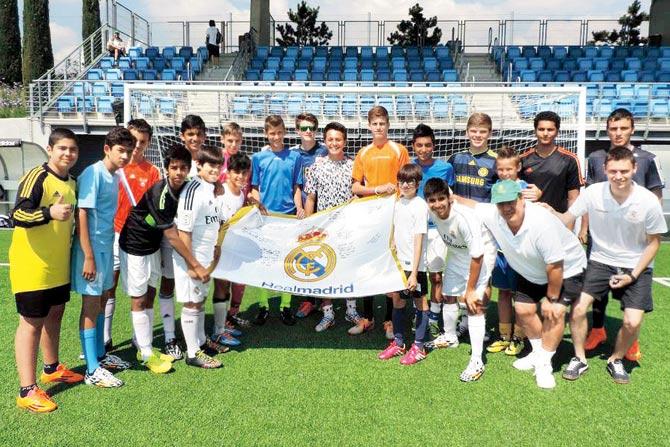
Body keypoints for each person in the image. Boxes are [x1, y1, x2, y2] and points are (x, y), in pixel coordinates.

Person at [546, 147, 666, 384]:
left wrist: (632, 275)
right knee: (579, 309)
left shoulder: (648, 201)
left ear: (634, 169)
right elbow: (566, 220)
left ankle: (616, 359)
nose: (618, 176)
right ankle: (579, 358)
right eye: (613, 171)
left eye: (624, 171)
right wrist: (548, 210)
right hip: (600, 261)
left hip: (636, 265)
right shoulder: (592, 193)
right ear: (605, 170)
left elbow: (654, 244)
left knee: (633, 321)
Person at [456, 180, 587, 389]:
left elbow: (555, 265)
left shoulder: (540, 222)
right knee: (523, 310)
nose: (506, 208)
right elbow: (467, 203)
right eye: (501, 204)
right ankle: (537, 353)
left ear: (521, 199)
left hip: (567, 269)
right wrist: (444, 196)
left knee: (554, 312)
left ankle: (545, 364)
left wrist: (552, 299)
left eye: (511, 202)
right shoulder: (494, 214)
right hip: (532, 270)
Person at [119, 144, 211, 373]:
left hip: (152, 245)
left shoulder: (189, 186)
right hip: (135, 243)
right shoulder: (161, 193)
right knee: (139, 297)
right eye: (174, 168)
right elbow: (172, 236)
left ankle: (145, 345)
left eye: (183, 168)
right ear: (166, 168)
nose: (178, 172)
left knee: (151, 292)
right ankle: (146, 353)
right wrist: (196, 265)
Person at [582, 108, 664, 362]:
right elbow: (589, 196)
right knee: (598, 288)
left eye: (623, 128)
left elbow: (655, 197)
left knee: (632, 287)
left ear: (632, 129)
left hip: (634, 240)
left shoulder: (648, 159)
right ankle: (597, 330)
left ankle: (631, 339)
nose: (618, 133)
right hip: (601, 236)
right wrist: (584, 228)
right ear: (607, 130)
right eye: (613, 129)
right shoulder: (596, 158)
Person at [11, 128, 84, 413]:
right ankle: (27, 389)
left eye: (73, 149)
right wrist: (48, 213)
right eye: (62, 148)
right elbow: (17, 213)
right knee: (31, 322)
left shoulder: (73, 182)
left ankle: (52, 368)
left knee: (55, 314)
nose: (68, 154)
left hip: (58, 265)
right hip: (32, 265)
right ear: (50, 149)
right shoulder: (37, 176)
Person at [72, 127, 135, 388]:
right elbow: (82, 214)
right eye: (121, 150)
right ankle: (91, 370)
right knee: (90, 305)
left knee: (100, 302)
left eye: (129, 152)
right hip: (92, 251)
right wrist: (88, 256)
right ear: (107, 149)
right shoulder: (93, 173)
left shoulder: (115, 176)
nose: (125, 156)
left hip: (106, 247)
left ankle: (100, 355)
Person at [424, 178, 497, 380]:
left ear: (450, 198)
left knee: (474, 305)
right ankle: (450, 336)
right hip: (457, 254)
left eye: (441, 199)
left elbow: (478, 255)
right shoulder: (431, 211)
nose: (437, 204)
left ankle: (477, 360)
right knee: (448, 295)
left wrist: (471, 289)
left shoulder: (464, 219)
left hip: (481, 256)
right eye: (432, 200)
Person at [350, 106, 410, 337]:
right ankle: (367, 318)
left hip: (394, 215)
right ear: (369, 126)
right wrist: (377, 189)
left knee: (388, 265)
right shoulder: (363, 153)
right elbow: (355, 187)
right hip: (369, 216)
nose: (379, 127)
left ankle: (389, 321)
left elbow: (408, 182)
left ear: (388, 125)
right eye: (375, 124)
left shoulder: (399, 150)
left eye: (382, 123)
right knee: (367, 265)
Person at [104, 119, 161, 354]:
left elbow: (156, 207)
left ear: (148, 143)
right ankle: (105, 338)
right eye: (133, 140)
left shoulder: (153, 171)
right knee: (110, 285)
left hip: (140, 240)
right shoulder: (114, 167)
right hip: (115, 234)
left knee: (145, 290)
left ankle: (140, 339)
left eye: (142, 142)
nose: (137, 145)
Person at [157, 114, 208, 361]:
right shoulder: (173, 163)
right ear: (183, 136)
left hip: (199, 236)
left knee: (198, 287)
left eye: (198, 134)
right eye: (190, 134)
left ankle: (199, 338)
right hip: (175, 234)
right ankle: (169, 337)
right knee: (169, 282)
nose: (195, 138)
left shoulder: (207, 160)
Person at [303, 122, 361, 331]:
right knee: (325, 270)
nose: (334, 143)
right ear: (325, 141)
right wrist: (309, 226)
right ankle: (328, 313)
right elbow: (310, 198)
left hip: (347, 227)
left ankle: (351, 309)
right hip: (323, 229)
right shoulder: (316, 165)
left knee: (348, 268)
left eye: (338, 139)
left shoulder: (354, 165)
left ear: (344, 141)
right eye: (330, 139)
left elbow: (358, 195)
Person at [174, 146, 228, 368]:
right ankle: (193, 352)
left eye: (218, 165)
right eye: (210, 165)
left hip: (205, 258)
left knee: (200, 301)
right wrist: (192, 265)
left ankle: (202, 341)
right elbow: (183, 232)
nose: (215, 169)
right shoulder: (192, 190)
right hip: (192, 258)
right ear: (199, 165)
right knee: (192, 303)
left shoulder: (211, 189)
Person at [446, 112, 498, 339]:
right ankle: (464, 320)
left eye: (482, 131)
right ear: (467, 132)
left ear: (490, 133)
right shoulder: (455, 159)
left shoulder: (495, 161)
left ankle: (478, 320)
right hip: (459, 228)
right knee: (461, 274)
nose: (477, 135)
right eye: (474, 131)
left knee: (484, 277)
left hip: (486, 228)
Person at [250, 115, 302, 326]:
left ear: (284, 132)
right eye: (272, 133)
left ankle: (285, 305)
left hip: (288, 216)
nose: (276, 137)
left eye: (279, 132)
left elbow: (297, 186)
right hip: (266, 218)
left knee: (286, 262)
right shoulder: (258, 158)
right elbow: (254, 187)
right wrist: (258, 207)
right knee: (264, 263)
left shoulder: (294, 157)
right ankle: (263, 306)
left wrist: (299, 207)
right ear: (266, 134)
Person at [378, 164, 431, 365]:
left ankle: (419, 346)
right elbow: (395, 231)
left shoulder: (420, 205)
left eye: (410, 181)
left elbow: (418, 240)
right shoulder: (398, 203)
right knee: (397, 300)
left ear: (417, 183)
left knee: (420, 302)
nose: (406, 185)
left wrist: (414, 273)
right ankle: (399, 343)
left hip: (414, 266)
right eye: (402, 181)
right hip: (399, 265)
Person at [411, 124, 454, 342]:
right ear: (413, 146)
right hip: (415, 232)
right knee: (416, 276)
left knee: (436, 275)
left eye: (428, 145)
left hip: (437, 230)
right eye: (419, 145)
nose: (424, 149)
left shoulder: (445, 168)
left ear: (434, 146)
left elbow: (451, 199)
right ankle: (420, 314)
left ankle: (435, 317)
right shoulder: (409, 168)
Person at [486, 146, 529, 356]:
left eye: (509, 169)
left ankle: (520, 336)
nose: (504, 173)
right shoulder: (495, 188)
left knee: (520, 295)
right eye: (501, 169)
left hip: (520, 252)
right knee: (503, 293)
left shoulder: (525, 189)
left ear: (518, 167)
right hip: (501, 252)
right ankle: (504, 335)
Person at [209, 153, 252, 348]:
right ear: (229, 172)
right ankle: (218, 332)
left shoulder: (241, 194)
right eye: (237, 172)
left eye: (244, 173)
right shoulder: (221, 192)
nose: (241, 177)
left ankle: (223, 324)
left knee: (224, 287)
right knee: (220, 286)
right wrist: (216, 247)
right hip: (217, 248)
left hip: (229, 247)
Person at [291, 113, 329, 319]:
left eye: (311, 128)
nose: (308, 131)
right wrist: (300, 208)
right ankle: (308, 300)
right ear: (297, 130)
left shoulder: (324, 151)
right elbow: (296, 185)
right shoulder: (294, 155)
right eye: (304, 128)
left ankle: (326, 299)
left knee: (324, 254)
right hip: (304, 213)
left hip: (325, 211)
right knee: (305, 255)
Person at [216, 122, 250, 328]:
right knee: (221, 283)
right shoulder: (219, 186)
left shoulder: (244, 165)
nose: (234, 144)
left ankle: (231, 315)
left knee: (239, 279)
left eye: (237, 141)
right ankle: (217, 326)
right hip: (217, 241)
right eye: (230, 140)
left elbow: (248, 191)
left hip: (236, 236)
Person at [520, 111, 583, 214]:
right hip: (529, 219)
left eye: (550, 130)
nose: (545, 133)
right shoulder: (522, 159)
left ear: (557, 132)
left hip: (558, 220)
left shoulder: (570, 160)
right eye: (541, 129)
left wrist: (569, 226)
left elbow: (573, 199)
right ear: (535, 131)